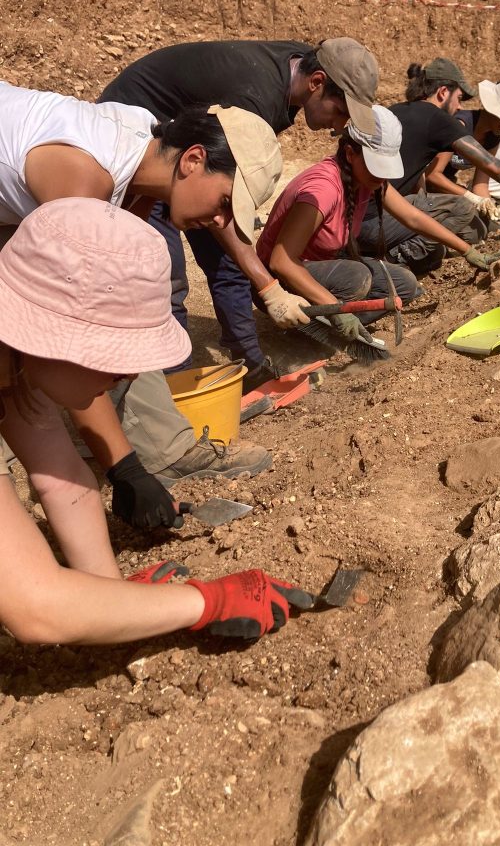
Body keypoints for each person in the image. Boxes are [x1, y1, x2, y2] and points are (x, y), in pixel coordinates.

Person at [0, 198, 300, 646]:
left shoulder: (20, 364)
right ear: (54, 334)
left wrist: (112, 600)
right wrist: (204, 602)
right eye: (118, 353)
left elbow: (61, 482)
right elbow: (37, 609)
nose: (131, 375)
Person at [0, 80, 278, 530]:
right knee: (28, 332)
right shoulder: (83, 180)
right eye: (225, 202)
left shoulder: (144, 151)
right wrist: (124, 469)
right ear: (193, 159)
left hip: (16, 203)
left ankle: (155, 447)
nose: (222, 222)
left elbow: (116, 310)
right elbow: (75, 338)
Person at [99, 37, 378, 388]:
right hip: (141, 150)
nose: (339, 127)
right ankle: (176, 386)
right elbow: (223, 192)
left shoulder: (296, 68)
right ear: (317, 82)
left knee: (227, 257)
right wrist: (270, 288)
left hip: (191, 150)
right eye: (340, 112)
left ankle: (248, 361)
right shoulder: (253, 98)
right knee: (164, 274)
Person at [256, 106, 500, 344]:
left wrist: (467, 250)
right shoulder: (323, 190)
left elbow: (413, 218)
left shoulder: (368, 179)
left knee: (405, 286)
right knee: (356, 277)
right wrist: (338, 310)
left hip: (319, 268)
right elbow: (281, 261)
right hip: (280, 283)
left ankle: (338, 331)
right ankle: (310, 328)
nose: (381, 176)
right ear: (351, 154)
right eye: (376, 167)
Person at [356, 58, 500, 274]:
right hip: (376, 216)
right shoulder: (443, 121)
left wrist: (490, 205)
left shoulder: (399, 110)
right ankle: (390, 258)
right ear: (443, 92)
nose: (459, 106)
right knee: (460, 209)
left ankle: (401, 249)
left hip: (367, 211)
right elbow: (490, 168)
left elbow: (418, 175)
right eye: (458, 98)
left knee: (471, 234)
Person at [423, 79, 500, 214]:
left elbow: (480, 185)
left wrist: (492, 209)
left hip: (442, 190)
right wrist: (471, 198)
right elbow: (432, 175)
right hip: (420, 187)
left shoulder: (493, 138)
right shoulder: (460, 124)